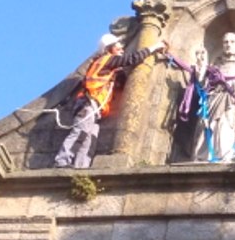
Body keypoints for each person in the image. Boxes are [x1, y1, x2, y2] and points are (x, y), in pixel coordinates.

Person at [54, 33, 166, 168]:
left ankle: (80, 168)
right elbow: (132, 59)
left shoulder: (109, 68)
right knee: (81, 133)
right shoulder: (107, 60)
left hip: (94, 109)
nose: (122, 49)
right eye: (118, 46)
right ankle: (62, 161)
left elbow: (122, 81)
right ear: (109, 47)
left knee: (89, 141)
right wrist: (155, 47)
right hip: (88, 104)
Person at [193, 32, 235, 163]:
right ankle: (206, 155)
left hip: (232, 106)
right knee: (208, 126)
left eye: (232, 42)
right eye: (225, 42)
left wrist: (234, 86)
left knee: (225, 126)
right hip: (213, 102)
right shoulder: (215, 68)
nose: (228, 44)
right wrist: (202, 66)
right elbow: (202, 86)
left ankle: (225, 154)